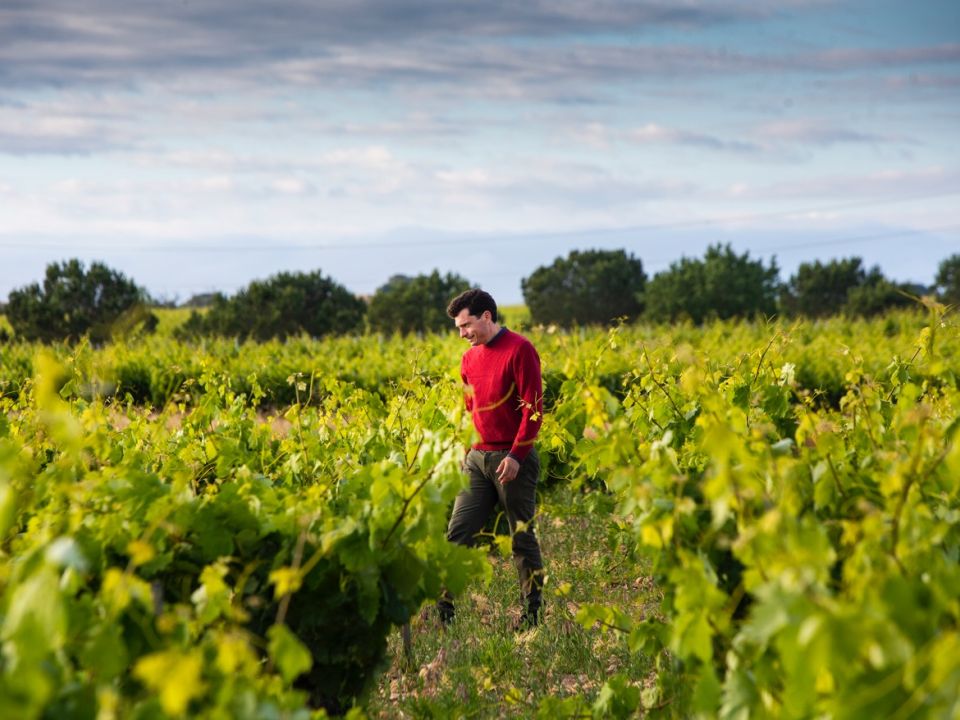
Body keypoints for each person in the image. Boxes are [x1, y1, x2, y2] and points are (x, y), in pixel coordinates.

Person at [438, 288, 545, 630]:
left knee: (521, 537)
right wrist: (465, 449)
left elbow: (533, 409)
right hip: (477, 459)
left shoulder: (520, 349)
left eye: (466, 325)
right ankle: (444, 612)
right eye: (458, 328)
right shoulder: (468, 360)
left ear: (486, 316)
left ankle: (532, 615)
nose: (462, 334)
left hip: (512, 460)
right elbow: (471, 409)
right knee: (458, 531)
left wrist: (516, 455)